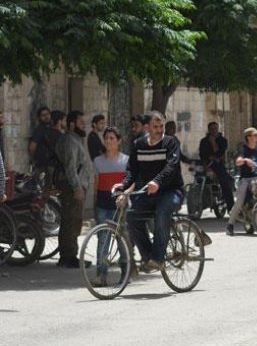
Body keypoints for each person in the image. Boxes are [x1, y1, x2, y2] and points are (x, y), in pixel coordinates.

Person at [113, 111, 184, 273]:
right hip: (148, 193)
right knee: (132, 217)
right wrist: (122, 187)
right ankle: (148, 256)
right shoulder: (139, 145)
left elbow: (171, 166)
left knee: (162, 212)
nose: (159, 130)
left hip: (171, 191)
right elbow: (132, 171)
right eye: (155, 126)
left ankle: (158, 258)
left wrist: (157, 182)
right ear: (147, 127)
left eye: (161, 126)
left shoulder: (170, 142)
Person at [54, 110, 95, 268]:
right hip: (72, 188)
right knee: (71, 221)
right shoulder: (69, 141)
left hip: (78, 186)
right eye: (80, 122)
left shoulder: (76, 139)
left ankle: (70, 255)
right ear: (72, 124)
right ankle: (68, 256)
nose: (83, 125)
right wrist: (77, 188)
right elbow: (70, 167)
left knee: (74, 221)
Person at [91, 127, 129, 284]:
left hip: (119, 206)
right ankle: (101, 275)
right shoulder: (98, 161)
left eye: (112, 138)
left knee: (122, 241)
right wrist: (94, 204)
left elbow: (129, 184)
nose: (108, 141)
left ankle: (126, 273)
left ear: (119, 141)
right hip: (103, 205)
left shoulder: (126, 161)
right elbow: (96, 184)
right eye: (106, 138)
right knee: (103, 240)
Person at [227, 127, 257, 236]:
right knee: (239, 201)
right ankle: (230, 225)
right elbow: (237, 162)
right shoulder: (243, 149)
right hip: (246, 178)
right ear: (249, 137)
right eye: (255, 135)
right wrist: (245, 160)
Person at [198, 122, 234, 212]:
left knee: (225, 182)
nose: (213, 130)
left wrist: (213, 143)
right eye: (212, 129)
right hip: (205, 164)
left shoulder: (223, 140)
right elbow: (202, 154)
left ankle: (231, 208)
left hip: (218, 164)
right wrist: (206, 162)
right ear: (209, 130)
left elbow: (219, 154)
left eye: (215, 128)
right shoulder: (204, 141)